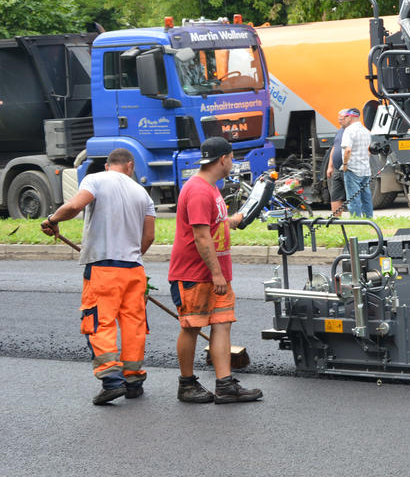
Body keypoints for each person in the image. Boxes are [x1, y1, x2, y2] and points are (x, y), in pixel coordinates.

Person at [41, 148, 156, 405]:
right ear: (130, 166)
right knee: (133, 325)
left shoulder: (95, 179)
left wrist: (52, 218)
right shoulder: (142, 193)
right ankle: (134, 379)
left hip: (103, 269)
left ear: (107, 165)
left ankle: (112, 382)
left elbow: (74, 206)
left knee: (99, 323)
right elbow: (149, 237)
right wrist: (133, 255)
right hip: (134, 270)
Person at [168, 136, 262, 404]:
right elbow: (200, 236)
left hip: (213, 275)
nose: (232, 163)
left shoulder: (210, 188)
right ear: (223, 159)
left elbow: (212, 225)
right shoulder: (198, 190)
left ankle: (225, 385)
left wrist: (232, 220)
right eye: (231, 158)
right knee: (192, 327)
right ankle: (186, 385)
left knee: (222, 324)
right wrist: (216, 274)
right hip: (194, 275)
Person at [341, 107, 373, 218]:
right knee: (366, 197)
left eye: (345, 117)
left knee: (353, 198)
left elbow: (348, 150)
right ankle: (369, 219)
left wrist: (345, 165)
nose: (344, 119)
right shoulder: (366, 131)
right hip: (365, 169)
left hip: (353, 169)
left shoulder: (349, 131)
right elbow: (369, 151)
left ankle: (356, 221)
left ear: (350, 117)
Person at [325, 109, 350, 217]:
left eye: (342, 119)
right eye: (339, 119)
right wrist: (330, 166)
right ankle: (336, 220)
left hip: (349, 169)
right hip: (336, 169)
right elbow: (334, 148)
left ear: (349, 118)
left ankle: (358, 220)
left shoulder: (353, 131)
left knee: (352, 195)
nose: (339, 121)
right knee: (335, 196)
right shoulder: (340, 131)